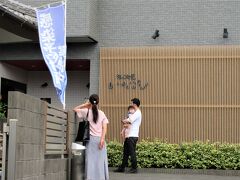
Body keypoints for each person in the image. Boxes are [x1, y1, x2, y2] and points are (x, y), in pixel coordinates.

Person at [73, 94, 109, 180]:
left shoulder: (86, 111)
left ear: (90, 102)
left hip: (90, 141)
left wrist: (85, 105)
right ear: (98, 102)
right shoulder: (102, 113)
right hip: (100, 140)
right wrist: (102, 139)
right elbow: (104, 127)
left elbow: (74, 109)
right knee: (100, 162)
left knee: (90, 161)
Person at [114, 98, 142, 173]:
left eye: (132, 103)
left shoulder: (137, 112)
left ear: (134, 104)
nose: (131, 105)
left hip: (132, 136)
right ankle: (122, 167)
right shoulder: (135, 113)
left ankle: (134, 168)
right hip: (129, 136)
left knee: (132, 152)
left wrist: (124, 120)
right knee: (126, 152)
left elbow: (129, 120)